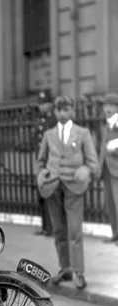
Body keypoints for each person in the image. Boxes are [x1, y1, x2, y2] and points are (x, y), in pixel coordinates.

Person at [35, 95, 100, 290]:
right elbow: (40, 161)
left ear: (72, 111)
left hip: (74, 185)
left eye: (66, 109)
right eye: (59, 109)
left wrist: (86, 170)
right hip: (53, 186)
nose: (62, 113)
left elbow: (93, 162)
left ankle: (79, 272)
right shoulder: (49, 135)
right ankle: (65, 268)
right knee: (59, 230)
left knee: (74, 230)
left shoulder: (82, 133)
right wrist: (41, 174)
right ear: (55, 112)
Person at [33, 90, 55, 237]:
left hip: (50, 163)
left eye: (44, 103)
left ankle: (51, 227)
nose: (42, 106)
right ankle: (45, 226)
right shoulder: (40, 120)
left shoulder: (53, 120)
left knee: (50, 195)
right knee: (41, 195)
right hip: (40, 162)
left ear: (50, 104)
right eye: (40, 103)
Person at [99, 92, 118, 245]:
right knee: (110, 204)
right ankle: (115, 233)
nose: (108, 108)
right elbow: (102, 148)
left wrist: (115, 148)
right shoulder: (105, 124)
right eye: (106, 105)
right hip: (106, 169)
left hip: (117, 169)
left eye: (112, 105)